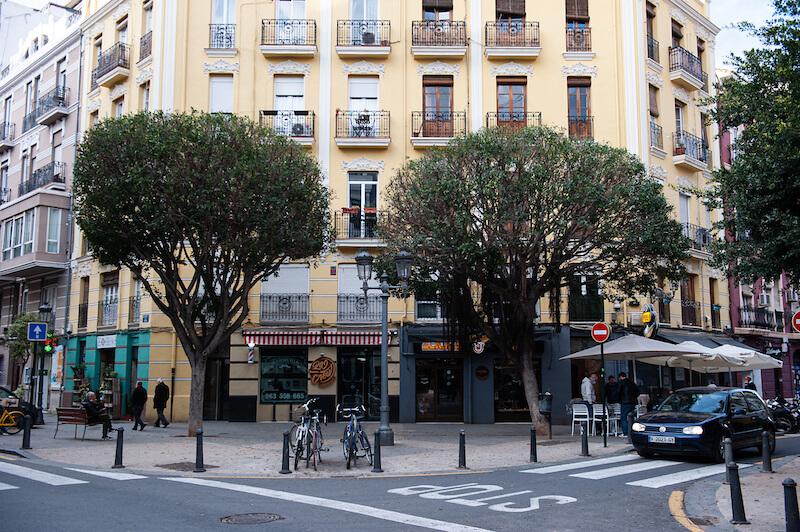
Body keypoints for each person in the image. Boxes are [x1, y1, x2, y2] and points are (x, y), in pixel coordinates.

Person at [617, 371, 640, 436]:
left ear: (620, 377)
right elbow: (638, 392)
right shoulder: (632, 383)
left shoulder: (621, 383)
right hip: (633, 403)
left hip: (624, 402)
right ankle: (632, 431)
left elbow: (618, 392)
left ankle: (626, 433)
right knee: (631, 417)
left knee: (623, 418)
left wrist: (619, 400)